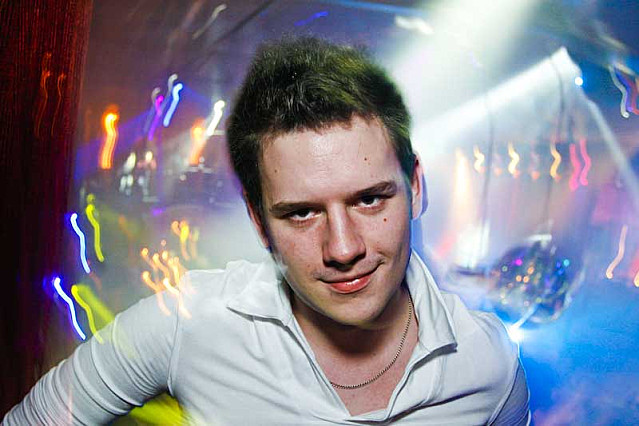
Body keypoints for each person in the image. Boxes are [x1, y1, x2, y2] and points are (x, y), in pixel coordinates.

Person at [3, 37, 529, 425]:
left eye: (370, 199)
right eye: (301, 213)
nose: (343, 247)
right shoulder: (189, 326)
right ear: (259, 222)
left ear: (415, 185)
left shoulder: (486, 362)